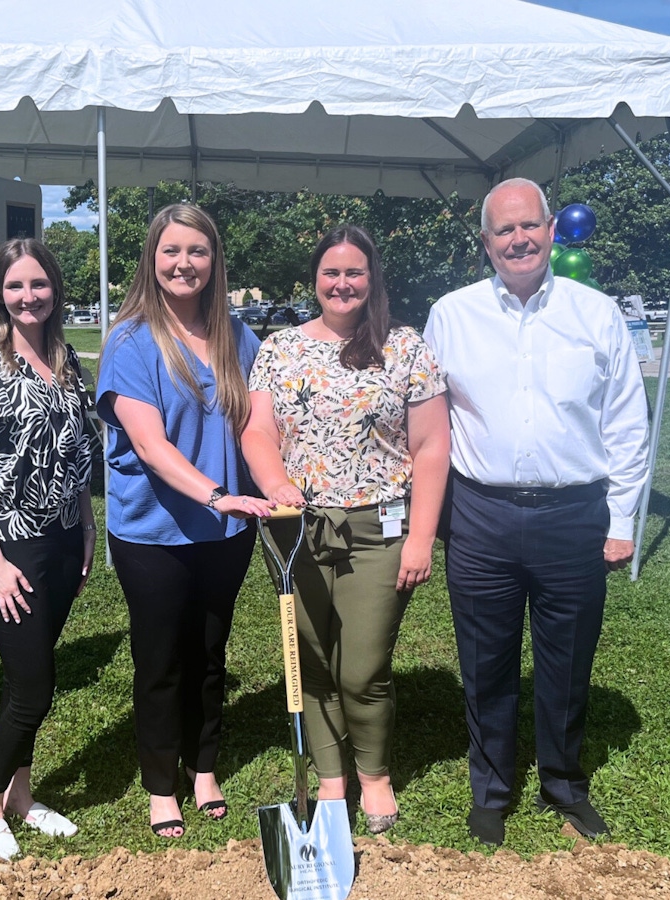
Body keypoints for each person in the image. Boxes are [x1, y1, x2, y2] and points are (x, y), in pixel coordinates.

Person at [423, 178, 650, 846]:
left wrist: (622, 521)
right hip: (481, 516)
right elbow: (429, 422)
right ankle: (490, 790)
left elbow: (627, 423)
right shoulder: (452, 315)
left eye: (530, 226)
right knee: (485, 660)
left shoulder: (597, 313)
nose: (518, 240)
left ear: (552, 230)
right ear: (486, 241)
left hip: (573, 516)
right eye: (504, 230)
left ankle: (563, 784)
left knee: (567, 660)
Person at [242, 224, 450, 834]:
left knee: (362, 666)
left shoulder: (404, 346)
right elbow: (258, 431)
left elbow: (433, 446)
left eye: (354, 272)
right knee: (308, 661)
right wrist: (274, 481)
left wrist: (421, 536)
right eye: (331, 273)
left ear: (372, 277)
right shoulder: (279, 349)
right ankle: (331, 777)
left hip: (381, 528)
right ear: (316, 279)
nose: (342, 283)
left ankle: (375, 774)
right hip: (295, 528)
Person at [96, 203, 275, 839]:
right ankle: (159, 785)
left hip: (226, 533)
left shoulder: (236, 336)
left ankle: (203, 770)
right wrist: (214, 492)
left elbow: (260, 422)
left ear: (213, 261)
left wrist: (271, 485)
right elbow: (148, 444)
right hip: (154, 533)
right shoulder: (131, 341)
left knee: (209, 652)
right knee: (161, 659)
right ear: (153, 258)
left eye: (197, 251)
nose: (184, 263)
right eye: (172, 251)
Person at [0, 238, 96, 860]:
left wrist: (83, 526)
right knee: (33, 687)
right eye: (14, 287)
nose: (28, 297)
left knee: (22, 680)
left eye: (38, 284)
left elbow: (75, 454)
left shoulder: (69, 363)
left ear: (54, 288)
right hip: (13, 550)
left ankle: (23, 798)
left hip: (60, 541)